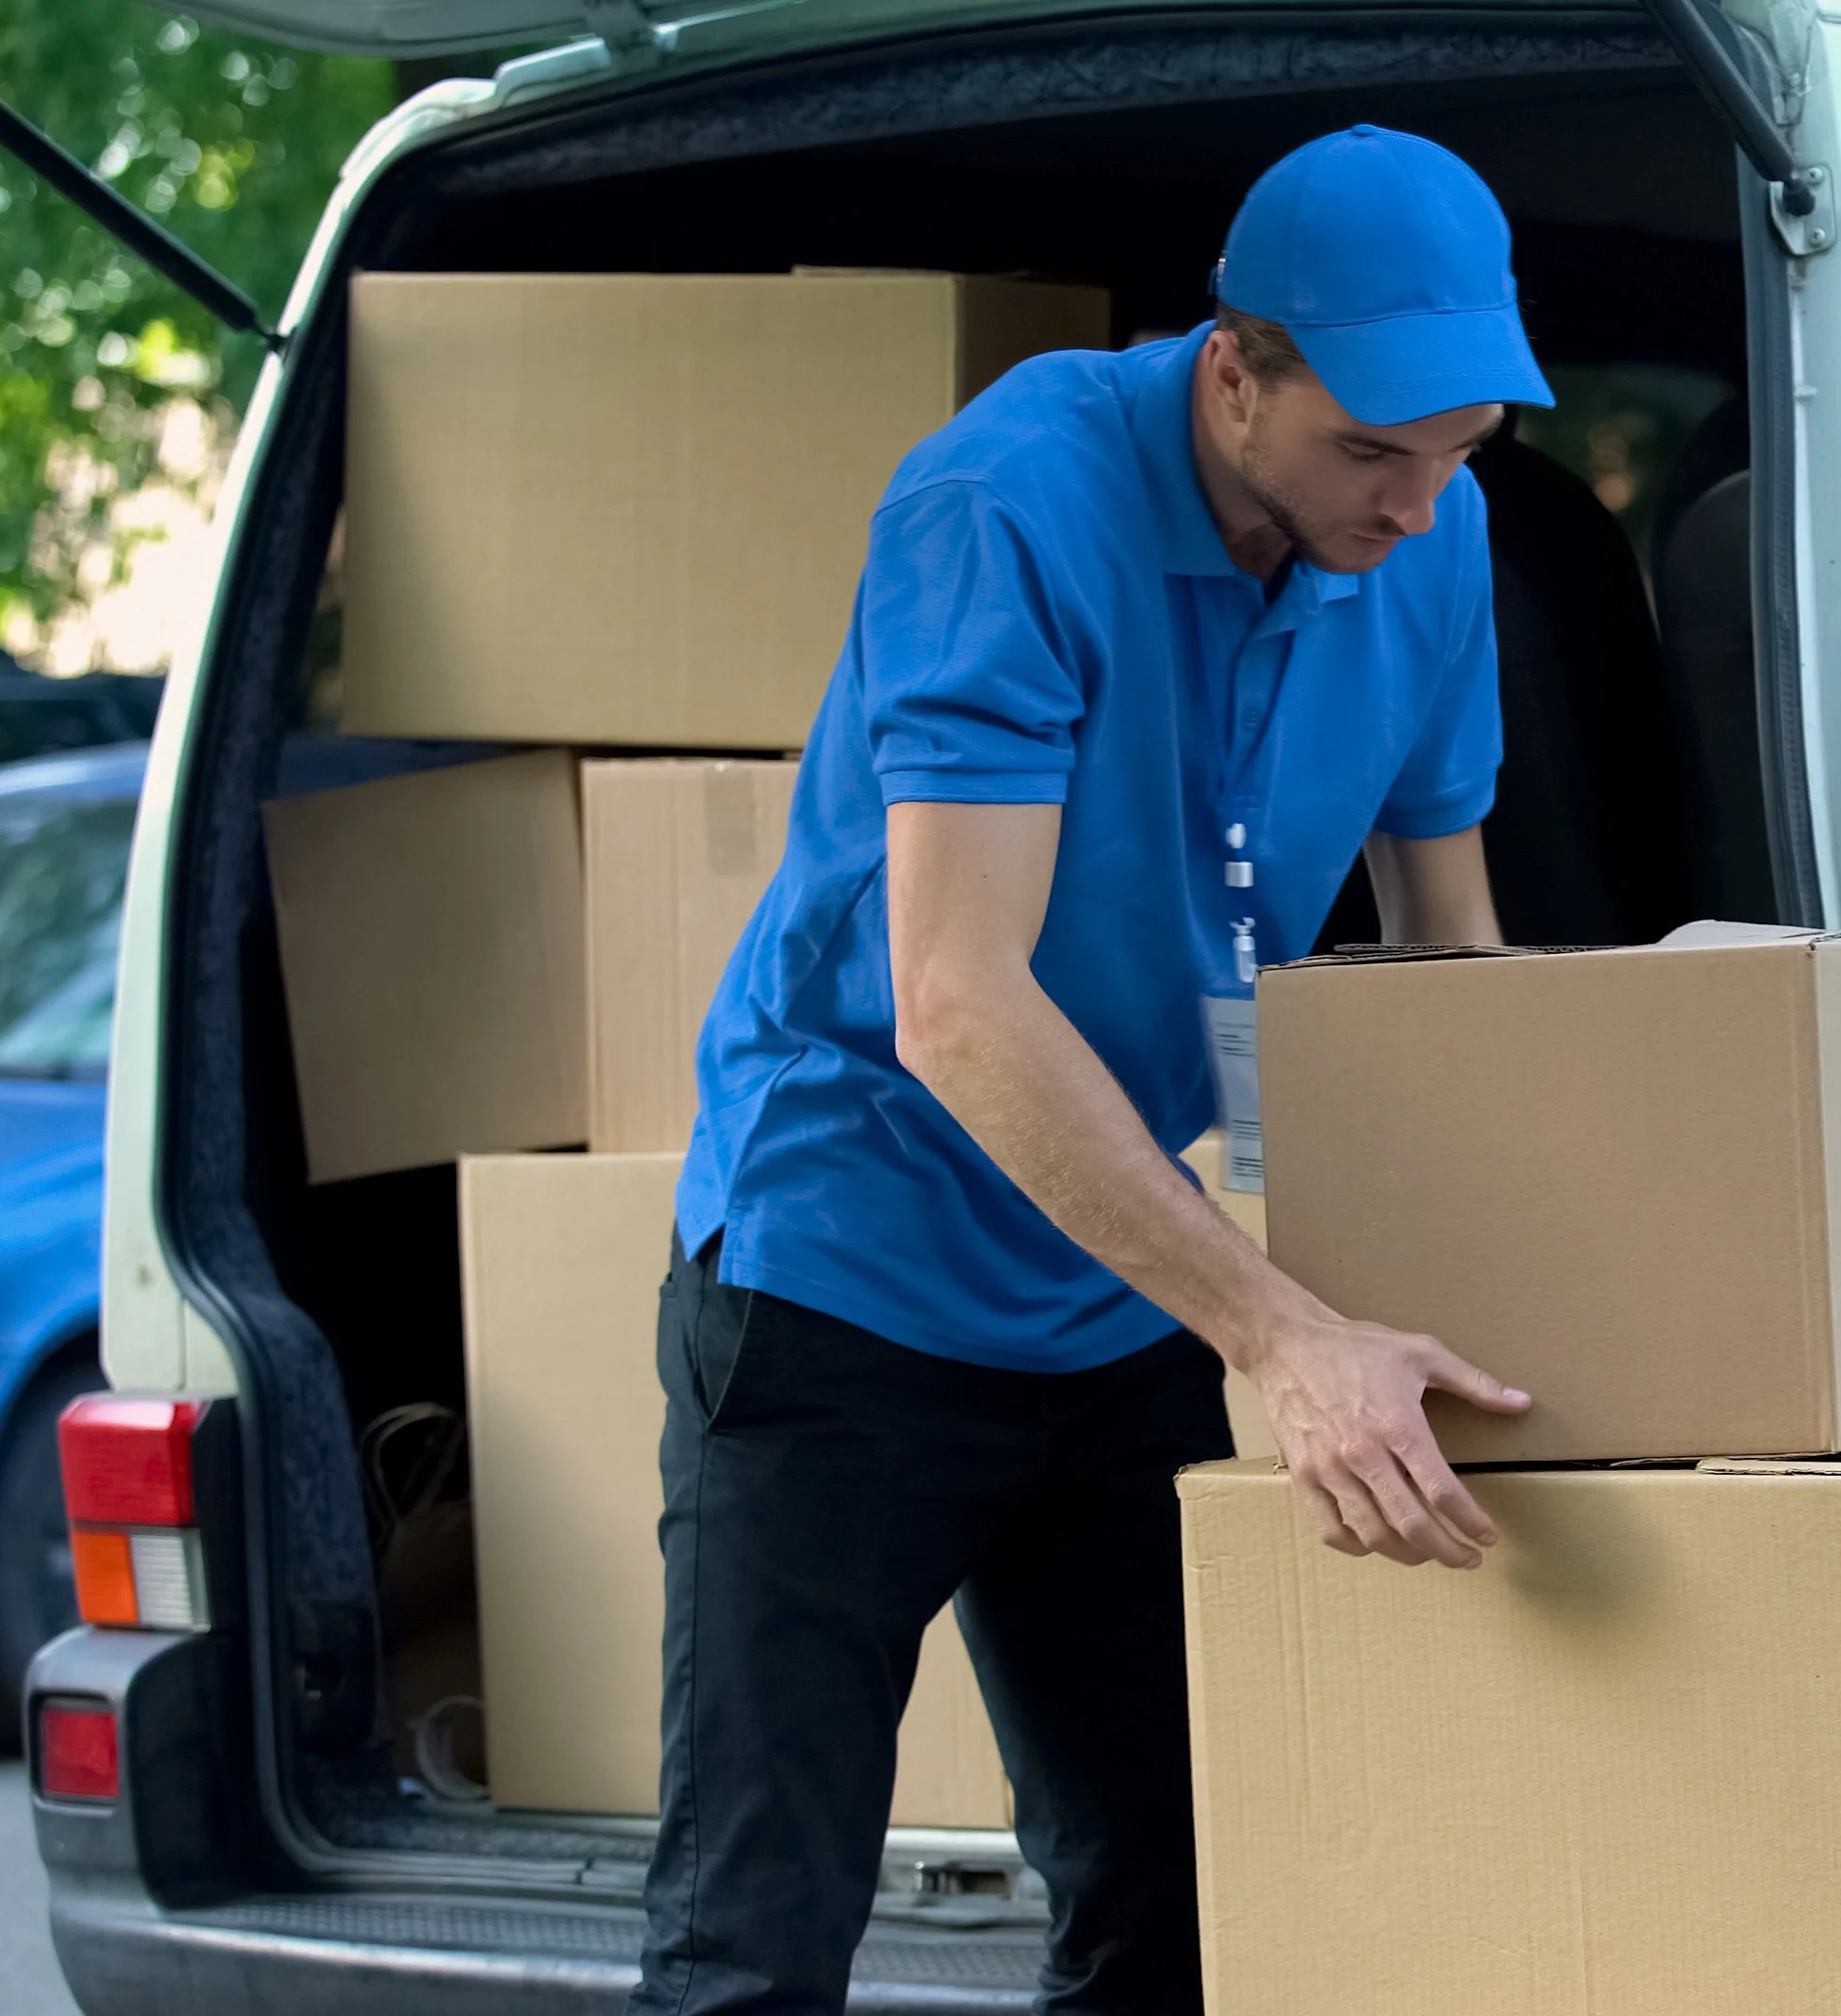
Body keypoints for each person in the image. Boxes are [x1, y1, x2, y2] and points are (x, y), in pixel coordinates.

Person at [632, 125, 1548, 2016]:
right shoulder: (1009, 504)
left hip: (1122, 1281)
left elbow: (1446, 968)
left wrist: (1504, 1318)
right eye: (1370, 449)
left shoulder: (1429, 545)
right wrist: (1285, 1338)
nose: (1415, 505)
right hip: (847, 1277)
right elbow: (955, 1002)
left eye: (1459, 450)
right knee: (757, 1938)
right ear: (1237, 372)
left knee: (1174, 1899)